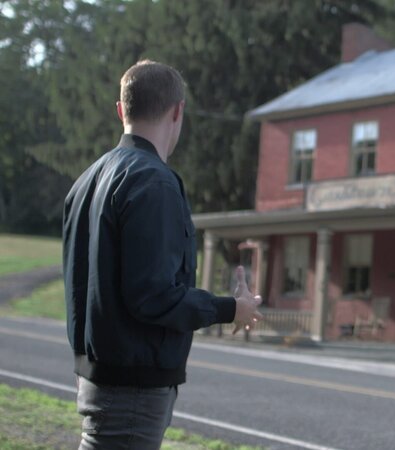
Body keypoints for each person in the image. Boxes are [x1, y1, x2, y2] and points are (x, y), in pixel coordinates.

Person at [62, 60, 263, 449]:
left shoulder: (85, 181)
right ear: (177, 111)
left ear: (121, 111)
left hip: (97, 377)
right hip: (132, 387)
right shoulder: (154, 181)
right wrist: (231, 308)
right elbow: (152, 295)